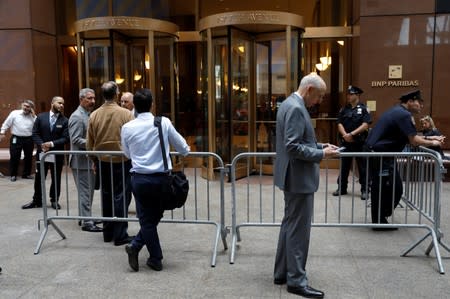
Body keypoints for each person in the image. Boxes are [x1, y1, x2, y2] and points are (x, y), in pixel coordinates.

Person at [273, 72, 340, 298]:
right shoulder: (295, 108)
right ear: (309, 89)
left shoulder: (288, 104)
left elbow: (297, 141)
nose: (319, 101)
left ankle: (282, 273)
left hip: (293, 177)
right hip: (298, 179)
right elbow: (292, 146)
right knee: (298, 231)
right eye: (319, 96)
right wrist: (321, 153)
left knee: (289, 226)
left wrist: (321, 145)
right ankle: (296, 281)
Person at [121, 89, 190, 272]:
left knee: (148, 219)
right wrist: (185, 150)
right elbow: (183, 148)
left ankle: (141, 250)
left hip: (139, 179)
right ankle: (154, 257)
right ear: (152, 104)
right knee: (152, 218)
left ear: (134, 105)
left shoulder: (127, 128)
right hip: (160, 179)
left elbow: (127, 153)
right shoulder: (163, 123)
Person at [365, 90, 445, 230]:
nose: (421, 106)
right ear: (410, 102)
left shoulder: (398, 111)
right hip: (381, 155)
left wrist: (431, 137)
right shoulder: (404, 114)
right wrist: (433, 143)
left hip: (382, 154)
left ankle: (380, 219)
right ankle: (379, 220)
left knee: (387, 187)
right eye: (419, 103)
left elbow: (409, 136)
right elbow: (413, 140)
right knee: (391, 188)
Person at [87, 81, 134, 246]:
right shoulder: (126, 114)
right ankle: (120, 234)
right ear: (116, 94)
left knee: (106, 196)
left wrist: (94, 160)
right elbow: (132, 139)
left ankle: (108, 232)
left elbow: (89, 143)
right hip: (122, 161)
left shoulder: (94, 115)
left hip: (103, 161)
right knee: (121, 196)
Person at [22, 97, 69, 210]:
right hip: (42, 153)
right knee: (39, 177)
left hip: (57, 154)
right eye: (59, 103)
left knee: (56, 178)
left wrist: (51, 144)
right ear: (52, 103)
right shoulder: (41, 117)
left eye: (63, 103)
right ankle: (36, 200)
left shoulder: (65, 120)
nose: (61, 105)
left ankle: (54, 200)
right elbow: (35, 133)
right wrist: (42, 145)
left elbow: (66, 138)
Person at [69, 88, 102, 232]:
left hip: (87, 161)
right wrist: (94, 144)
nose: (92, 101)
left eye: (93, 98)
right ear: (81, 99)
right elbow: (76, 139)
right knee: (85, 192)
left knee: (88, 192)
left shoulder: (87, 114)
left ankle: (84, 216)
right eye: (89, 98)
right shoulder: (77, 116)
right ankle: (87, 222)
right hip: (81, 162)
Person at [333, 85, 372, 199]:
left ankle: (365, 190)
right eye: (348, 94)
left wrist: (352, 134)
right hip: (346, 142)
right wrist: (345, 135)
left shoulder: (364, 109)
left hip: (359, 142)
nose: (348, 96)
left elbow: (365, 124)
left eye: (351, 94)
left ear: (357, 95)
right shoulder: (344, 109)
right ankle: (342, 188)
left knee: (363, 167)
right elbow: (339, 123)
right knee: (344, 166)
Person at [0, 100, 36, 181]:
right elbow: (7, 123)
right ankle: (13, 175)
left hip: (28, 139)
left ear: (31, 108)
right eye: (25, 106)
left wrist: (33, 116)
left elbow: (37, 126)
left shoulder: (33, 117)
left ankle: (26, 174)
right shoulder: (14, 113)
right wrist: (2, 132)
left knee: (28, 157)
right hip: (16, 138)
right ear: (22, 105)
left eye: (28, 107)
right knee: (14, 156)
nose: (26, 108)